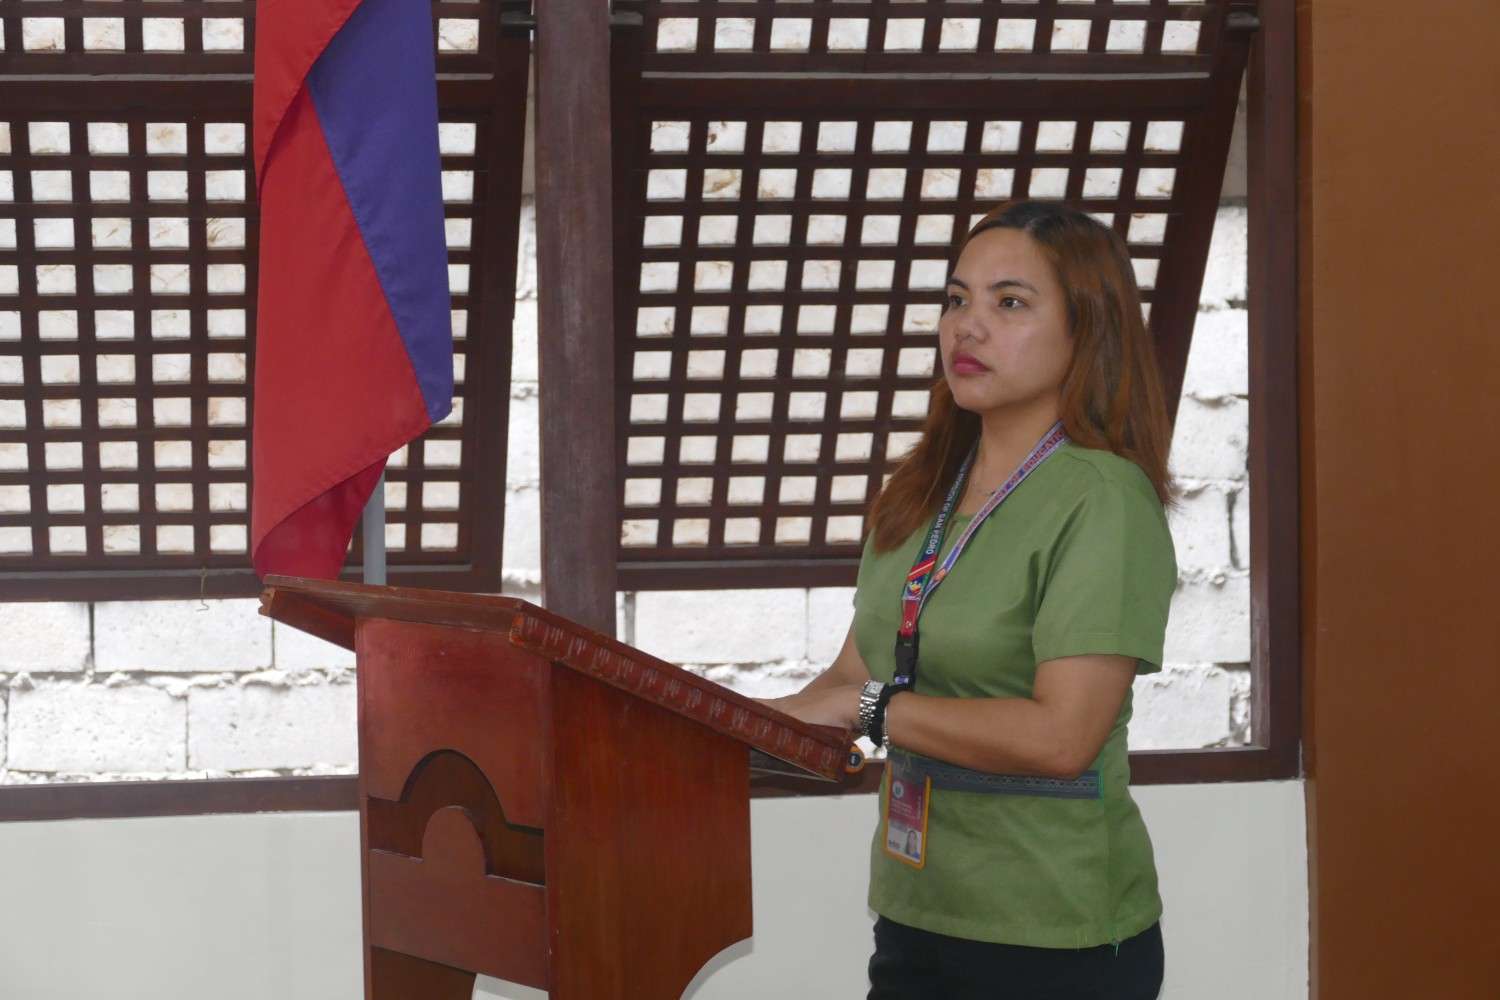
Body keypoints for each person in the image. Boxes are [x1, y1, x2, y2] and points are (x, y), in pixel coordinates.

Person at [757, 199, 1180, 999]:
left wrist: (871, 711)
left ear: (1087, 330)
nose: (967, 327)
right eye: (956, 300)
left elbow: (1062, 737)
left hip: (1054, 934)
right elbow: (850, 677)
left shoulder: (1104, 499)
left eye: (1009, 303)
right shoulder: (919, 491)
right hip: (918, 915)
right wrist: (710, 727)